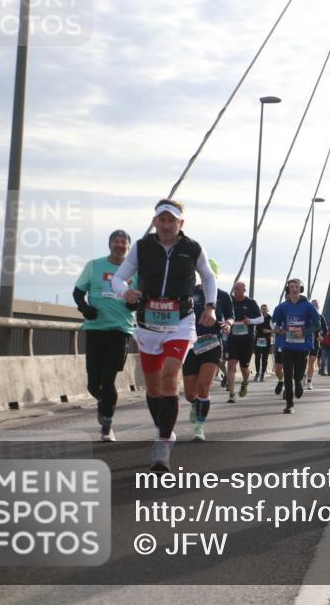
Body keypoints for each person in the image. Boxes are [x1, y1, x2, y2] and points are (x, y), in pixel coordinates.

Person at [113, 199, 217, 472]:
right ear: (155, 221)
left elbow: (208, 277)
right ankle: (164, 430)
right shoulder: (142, 247)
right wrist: (125, 292)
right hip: (148, 321)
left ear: (181, 223)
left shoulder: (192, 248)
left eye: (172, 220)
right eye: (162, 220)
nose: (167, 225)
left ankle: (161, 444)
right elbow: (118, 278)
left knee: (170, 376)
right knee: (153, 387)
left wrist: (210, 306)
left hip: (180, 320)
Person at [73, 229, 137, 441]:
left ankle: (107, 426)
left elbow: (140, 298)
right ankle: (104, 401)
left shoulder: (135, 271)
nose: (119, 246)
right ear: (110, 244)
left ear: (128, 247)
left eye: (123, 243)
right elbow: (78, 291)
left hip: (120, 330)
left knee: (108, 379)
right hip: (95, 329)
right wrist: (84, 308)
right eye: (116, 242)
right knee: (93, 384)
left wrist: (134, 304)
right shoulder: (94, 266)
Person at [183, 259, 231, 442]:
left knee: (203, 387)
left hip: (212, 344)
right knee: (189, 394)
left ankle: (199, 427)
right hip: (190, 345)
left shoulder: (223, 296)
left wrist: (227, 324)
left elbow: (231, 317)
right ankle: (195, 404)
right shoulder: (189, 292)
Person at [272, 279, 321, 413]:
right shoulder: (281, 307)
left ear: (300, 289)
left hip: (302, 346)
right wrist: (278, 329)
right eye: (292, 287)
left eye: (297, 287)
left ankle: (298, 382)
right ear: (288, 289)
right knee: (288, 373)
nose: (294, 289)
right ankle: (289, 404)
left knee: (298, 374)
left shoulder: (308, 306)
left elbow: (317, 324)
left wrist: (304, 332)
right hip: (287, 345)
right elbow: (275, 323)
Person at [225, 281, 263, 402]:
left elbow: (261, 319)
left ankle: (245, 381)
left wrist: (250, 321)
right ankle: (231, 394)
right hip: (232, 339)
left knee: (244, 368)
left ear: (244, 291)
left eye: (238, 289)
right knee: (231, 366)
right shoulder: (229, 301)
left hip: (247, 340)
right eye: (234, 288)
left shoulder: (251, 303)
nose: (235, 291)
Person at [305, 298, 327, 390]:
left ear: (318, 306)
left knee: (311, 361)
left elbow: (325, 330)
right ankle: (303, 375)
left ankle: (309, 381)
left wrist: (321, 336)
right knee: (303, 361)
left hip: (315, 342)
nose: (314, 306)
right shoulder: (305, 316)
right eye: (312, 304)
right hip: (305, 341)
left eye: (316, 305)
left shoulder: (320, 317)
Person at [254, 303, 274, 381]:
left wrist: (268, 331)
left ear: (268, 310)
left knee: (265, 358)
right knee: (257, 357)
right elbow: (253, 326)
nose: (263, 310)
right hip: (258, 339)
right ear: (260, 310)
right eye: (262, 309)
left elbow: (275, 329)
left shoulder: (270, 318)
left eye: (265, 309)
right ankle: (257, 372)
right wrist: (254, 330)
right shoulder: (258, 318)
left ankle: (262, 373)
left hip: (266, 339)